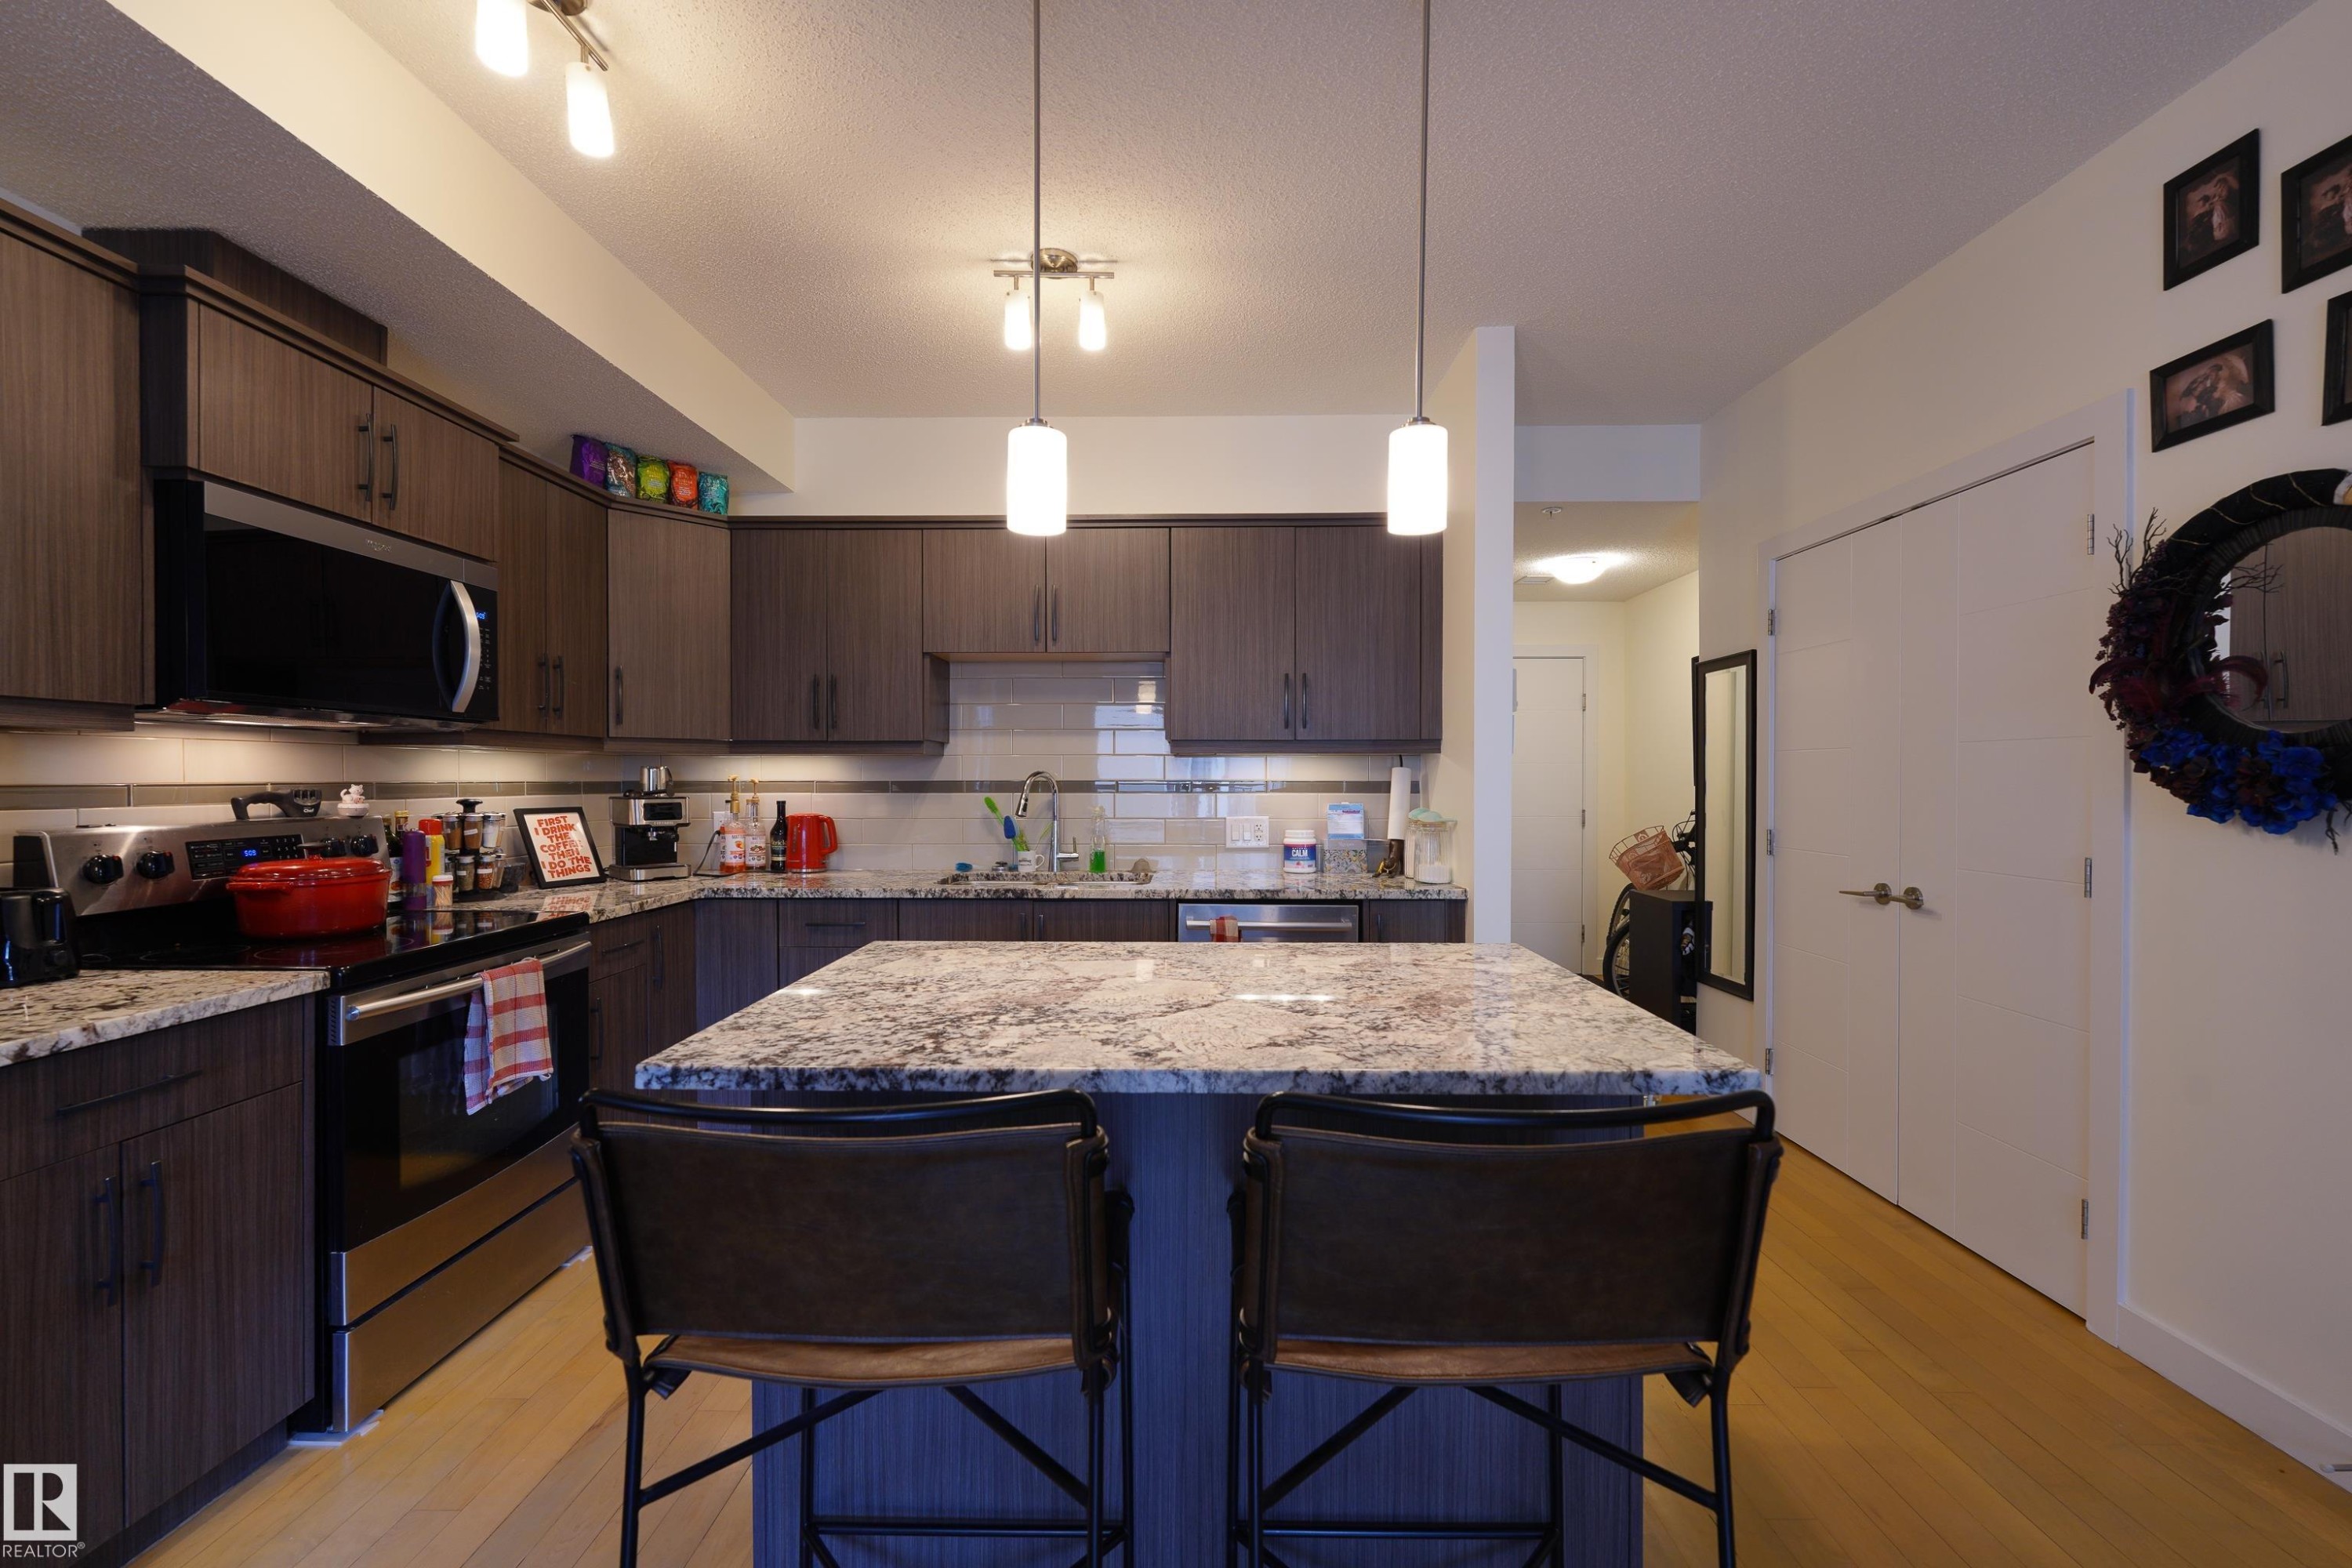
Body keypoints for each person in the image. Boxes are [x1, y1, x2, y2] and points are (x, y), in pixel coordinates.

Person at [2180, 168, 2239, 258]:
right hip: (2213, 228)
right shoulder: (2203, 212)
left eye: (2222, 188)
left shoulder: (2219, 205)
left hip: (2220, 227)